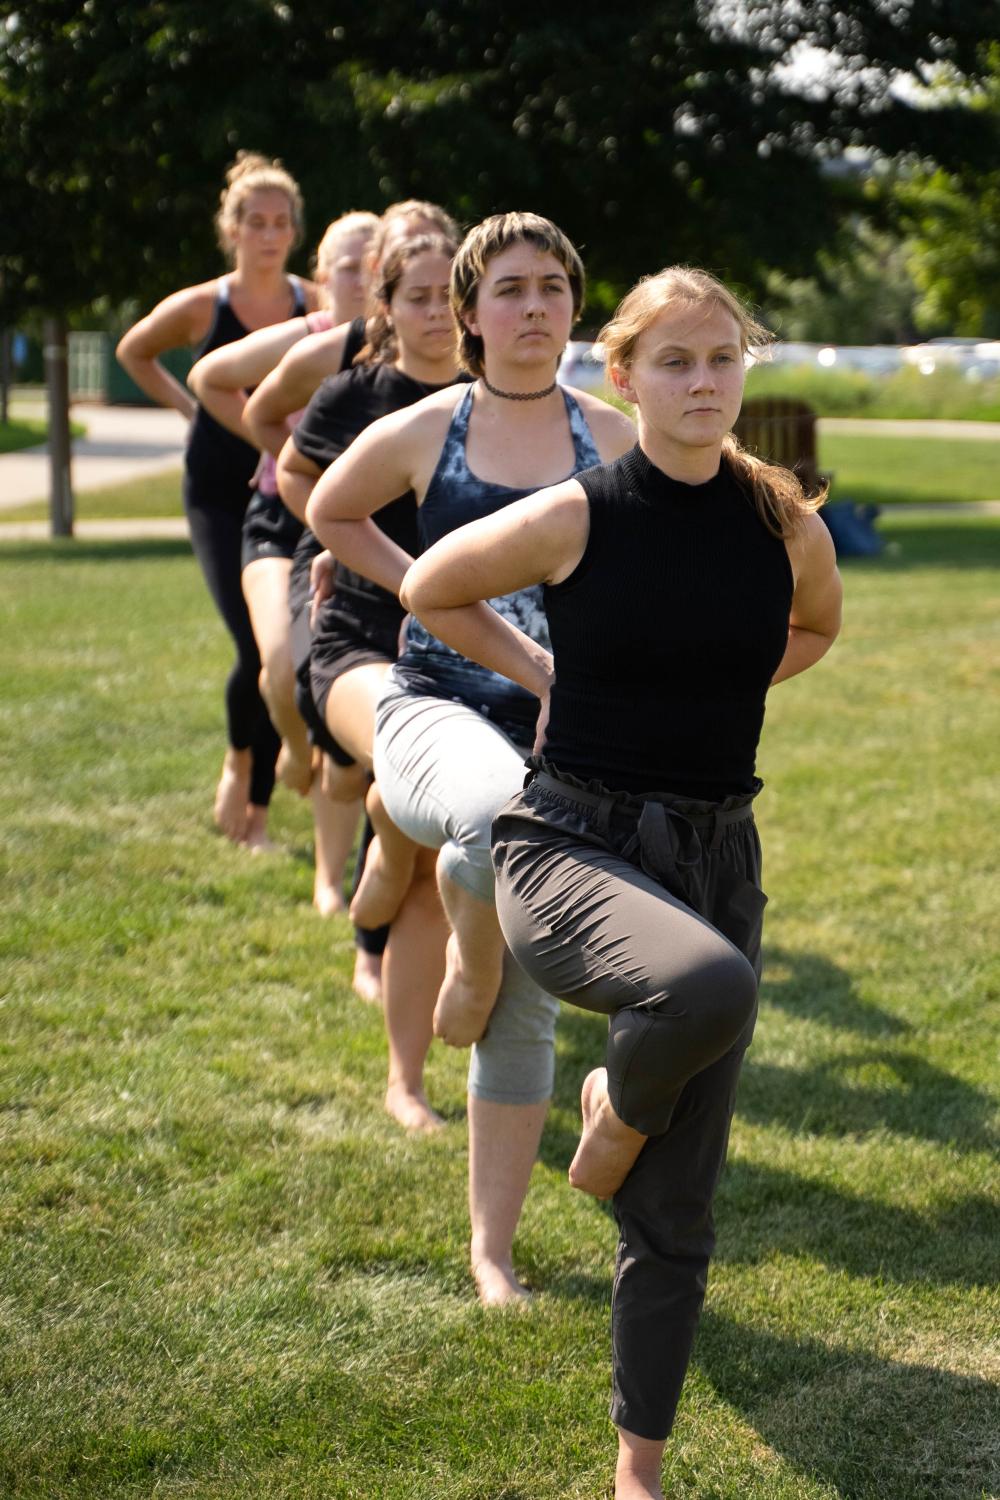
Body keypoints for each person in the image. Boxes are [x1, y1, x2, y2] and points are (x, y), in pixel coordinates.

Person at [399, 266, 843, 1499]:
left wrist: (709, 691)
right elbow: (432, 586)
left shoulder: (782, 522)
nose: (704, 383)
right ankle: (606, 1119)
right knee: (709, 992)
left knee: (682, 1203)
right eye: (675, 362)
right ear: (625, 378)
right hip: (571, 844)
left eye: (722, 359)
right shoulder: (579, 510)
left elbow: (812, 630)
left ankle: (634, 1468)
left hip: (715, 851)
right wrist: (544, 674)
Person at [306, 212, 636, 1301]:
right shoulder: (432, 426)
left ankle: (489, 1251)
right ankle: (458, 926)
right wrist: (413, 581)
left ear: (575, 307)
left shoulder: (614, 437)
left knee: (526, 991)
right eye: (509, 289)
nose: (533, 306)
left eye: (551, 286)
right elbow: (328, 506)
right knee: (500, 816)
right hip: (434, 710)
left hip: (569, 737)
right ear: (468, 313)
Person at [278, 231, 462, 1128]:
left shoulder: (505, 403)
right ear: (386, 306)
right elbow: (301, 478)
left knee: (435, 857)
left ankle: (411, 1073)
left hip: (476, 653)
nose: (437, 313)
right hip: (364, 638)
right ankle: (397, 1046)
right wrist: (331, 547)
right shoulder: (358, 393)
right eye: (418, 296)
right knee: (408, 773)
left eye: (448, 295)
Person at [116, 151, 321, 849]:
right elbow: (134, 350)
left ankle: (250, 779)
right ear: (230, 228)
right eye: (254, 222)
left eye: (280, 223)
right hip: (216, 492)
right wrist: (190, 410)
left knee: (285, 648)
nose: (268, 235)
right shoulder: (208, 304)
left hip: (289, 490)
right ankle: (248, 779)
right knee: (252, 644)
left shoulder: (313, 303)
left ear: (294, 231)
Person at [187, 210, 378, 913]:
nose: (362, 277)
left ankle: (338, 876)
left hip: (357, 527)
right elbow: (211, 377)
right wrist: (275, 447)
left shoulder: (412, 346)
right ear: (323, 278)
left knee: (344, 692)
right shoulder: (311, 337)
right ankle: (289, 751)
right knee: (276, 661)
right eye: (348, 266)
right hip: (280, 518)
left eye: (372, 263)